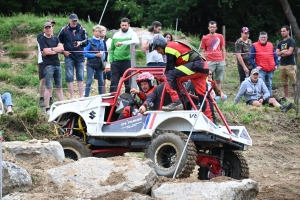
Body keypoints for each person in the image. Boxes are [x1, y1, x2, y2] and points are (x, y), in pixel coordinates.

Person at [149, 35, 215, 121]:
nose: (158, 52)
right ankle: (212, 121)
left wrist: (163, 78)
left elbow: (169, 69)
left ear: (162, 45)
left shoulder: (169, 47)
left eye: (158, 49)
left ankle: (176, 102)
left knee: (168, 75)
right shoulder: (174, 45)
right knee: (204, 97)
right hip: (202, 68)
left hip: (197, 66)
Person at [58, 14, 88, 99]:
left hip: (80, 56)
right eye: (73, 21)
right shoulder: (64, 29)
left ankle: (82, 97)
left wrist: (80, 43)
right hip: (69, 56)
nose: (74, 22)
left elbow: (86, 41)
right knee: (69, 77)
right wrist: (63, 52)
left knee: (80, 76)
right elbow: (58, 41)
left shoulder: (82, 29)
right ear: (69, 20)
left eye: (76, 20)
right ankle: (72, 97)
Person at [39, 21, 64, 114]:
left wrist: (52, 49)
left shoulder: (56, 38)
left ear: (52, 28)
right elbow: (45, 51)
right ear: (44, 29)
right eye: (46, 28)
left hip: (57, 64)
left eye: (49, 27)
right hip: (48, 65)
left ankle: (62, 105)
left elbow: (61, 49)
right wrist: (55, 50)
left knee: (59, 87)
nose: (48, 29)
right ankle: (47, 108)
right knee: (48, 87)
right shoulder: (42, 39)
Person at [109, 17, 140, 93]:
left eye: (125, 25)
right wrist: (111, 60)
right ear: (120, 25)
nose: (124, 27)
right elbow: (112, 48)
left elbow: (136, 41)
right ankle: (113, 99)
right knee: (114, 82)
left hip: (127, 61)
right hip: (116, 61)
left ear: (129, 25)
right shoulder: (116, 35)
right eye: (122, 25)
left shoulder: (132, 34)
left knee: (128, 83)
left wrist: (122, 43)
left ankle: (128, 98)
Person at [249, 31, 278, 96]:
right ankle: (259, 98)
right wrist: (256, 66)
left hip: (271, 69)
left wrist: (276, 64)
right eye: (262, 37)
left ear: (267, 38)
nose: (263, 39)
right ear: (259, 38)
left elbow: (275, 56)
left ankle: (269, 98)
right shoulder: (255, 45)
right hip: (261, 69)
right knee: (260, 84)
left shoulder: (270, 45)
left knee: (269, 84)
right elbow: (250, 58)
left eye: (264, 37)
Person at [200, 21, 226, 89]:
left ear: (216, 28)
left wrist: (224, 60)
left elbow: (223, 49)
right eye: (211, 27)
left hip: (220, 60)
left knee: (219, 80)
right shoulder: (205, 38)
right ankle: (209, 93)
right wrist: (203, 61)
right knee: (208, 79)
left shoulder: (220, 36)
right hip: (210, 61)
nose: (212, 28)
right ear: (208, 28)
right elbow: (203, 51)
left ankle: (218, 94)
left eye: (213, 27)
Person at [37, 19, 55, 107]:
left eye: (52, 25)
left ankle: (50, 97)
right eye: (48, 25)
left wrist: (52, 50)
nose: (50, 27)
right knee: (43, 79)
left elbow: (59, 48)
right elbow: (45, 51)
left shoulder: (54, 37)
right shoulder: (40, 36)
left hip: (52, 61)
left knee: (50, 80)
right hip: (42, 60)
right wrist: (53, 50)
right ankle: (41, 98)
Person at [84, 25, 106, 97]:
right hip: (91, 64)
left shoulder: (101, 42)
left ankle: (101, 96)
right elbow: (85, 53)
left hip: (99, 64)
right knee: (89, 81)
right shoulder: (89, 41)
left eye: (99, 32)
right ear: (93, 32)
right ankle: (86, 96)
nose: (97, 33)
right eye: (96, 31)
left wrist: (103, 58)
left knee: (101, 81)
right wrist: (95, 55)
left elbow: (103, 52)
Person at [276, 25, 296, 98]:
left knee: (294, 82)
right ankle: (286, 98)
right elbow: (277, 53)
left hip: (290, 65)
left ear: (288, 31)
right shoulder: (280, 42)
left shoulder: (291, 41)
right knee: (284, 83)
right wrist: (283, 52)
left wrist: (281, 53)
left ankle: (296, 98)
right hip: (282, 65)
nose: (282, 33)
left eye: (284, 31)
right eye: (281, 31)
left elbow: (289, 52)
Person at [99, 25, 112, 93]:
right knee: (102, 80)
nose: (102, 32)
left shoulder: (110, 41)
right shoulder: (96, 41)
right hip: (100, 62)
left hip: (109, 62)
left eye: (103, 30)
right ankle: (103, 95)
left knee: (112, 79)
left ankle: (112, 94)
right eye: (100, 30)